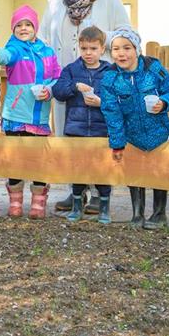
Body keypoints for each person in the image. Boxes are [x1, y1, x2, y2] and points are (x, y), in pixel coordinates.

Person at [40, 0, 130, 214]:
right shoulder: (56, 2)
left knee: (99, 133)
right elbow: (44, 38)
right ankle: (76, 190)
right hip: (68, 77)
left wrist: (101, 38)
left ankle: (100, 192)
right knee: (71, 134)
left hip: (99, 78)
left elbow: (128, 34)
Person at [0, 5, 61, 219]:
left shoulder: (47, 52)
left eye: (28, 24)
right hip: (16, 115)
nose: (23, 28)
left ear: (35, 27)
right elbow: (6, 55)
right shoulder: (15, 48)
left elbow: (57, 76)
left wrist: (50, 90)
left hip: (39, 117)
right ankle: (16, 202)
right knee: (15, 159)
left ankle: (38, 202)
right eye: (19, 25)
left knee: (39, 160)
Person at [100, 26, 169, 230]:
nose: (121, 53)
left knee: (159, 171)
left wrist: (164, 102)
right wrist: (117, 143)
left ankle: (159, 213)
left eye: (127, 48)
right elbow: (111, 112)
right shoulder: (110, 78)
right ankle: (137, 214)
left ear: (137, 49)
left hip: (159, 132)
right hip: (132, 135)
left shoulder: (153, 68)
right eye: (116, 49)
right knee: (135, 172)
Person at [52, 26, 112, 224]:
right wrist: (75, 86)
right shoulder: (71, 69)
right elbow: (58, 91)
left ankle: (104, 208)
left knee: (102, 170)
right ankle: (77, 206)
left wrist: (101, 102)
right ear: (79, 47)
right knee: (77, 169)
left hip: (101, 130)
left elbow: (119, 98)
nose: (88, 53)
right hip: (76, 130)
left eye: (93, 49)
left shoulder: (110, 71)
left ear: (102, 49)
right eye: (84, 48)